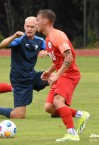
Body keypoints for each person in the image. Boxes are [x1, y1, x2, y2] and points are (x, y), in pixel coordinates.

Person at [36, 9, 90, 141]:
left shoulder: (57, 36)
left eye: (37, 20)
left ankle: (71, 133)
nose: (36, 23)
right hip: (62, 73)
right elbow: (59, 60)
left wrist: (57, 75)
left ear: (45, 21)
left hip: (69, 74)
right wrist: (49, 71)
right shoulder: (48, 38)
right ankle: (81, 115)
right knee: (49, 107)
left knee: (58, 101)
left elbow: (69, 57)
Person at [0, 16, 49, 119]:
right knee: (19, 115)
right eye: (27, 26)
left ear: (37, 27)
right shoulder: (19, 40)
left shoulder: (40, 41)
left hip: (32, 75)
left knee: (54, 78)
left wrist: (46, 52)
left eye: (32, 27)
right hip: (19, 79)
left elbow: (51, 50)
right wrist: (13, 36)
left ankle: (56, 110)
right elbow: (2, 45)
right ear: (24, 27)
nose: (29, 29)